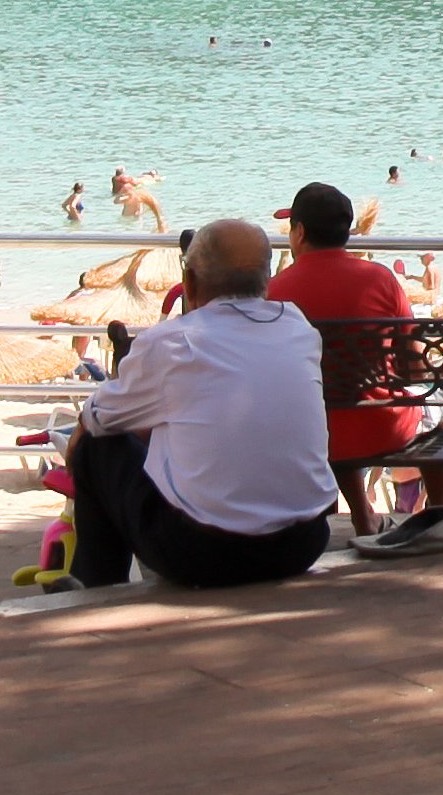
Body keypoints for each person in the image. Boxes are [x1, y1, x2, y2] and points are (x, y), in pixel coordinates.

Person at [50, 220, 333, 592]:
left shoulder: (173, 342)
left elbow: (101, 417)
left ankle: (97, 585)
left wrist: (82, 433)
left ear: (190, 281)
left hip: (204, 554)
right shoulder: (298, 328)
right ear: (266, 279)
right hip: (304, 541)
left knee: (96, 446)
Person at [264, 181, 443, 553]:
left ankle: (362, 514)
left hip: (311, 432)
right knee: (437, 410)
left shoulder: (275, 291)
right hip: (384, 426)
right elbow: (412, 361)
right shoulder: (380, 279)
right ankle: (441, 511)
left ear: (299, 232)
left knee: (329, 404)